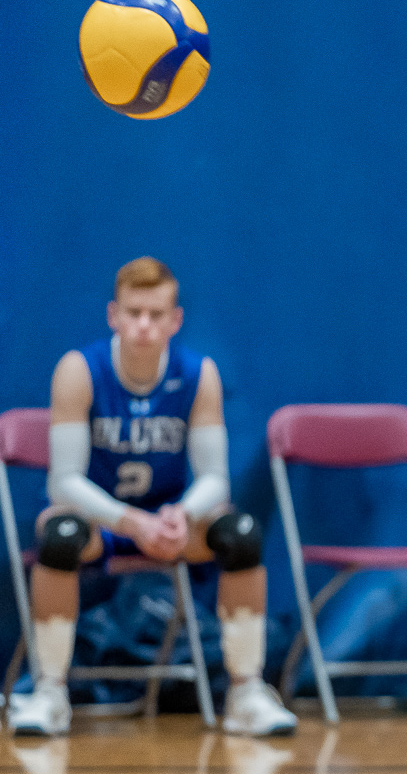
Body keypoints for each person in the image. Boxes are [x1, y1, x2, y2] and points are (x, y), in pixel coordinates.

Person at [9, 257, 297, 738]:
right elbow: (63, 483)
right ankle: (50, 690)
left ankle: (245, 692)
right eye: (134, 312)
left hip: (167, 526)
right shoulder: (80, 370)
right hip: (102, 522)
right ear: (113, 315)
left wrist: (181, 515)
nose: (144, 325)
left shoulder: (197, 374)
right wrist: (129, 522)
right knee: (58, 533)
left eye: (156, 314)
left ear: (175, 320)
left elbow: (215, 480)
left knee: (241, 532)